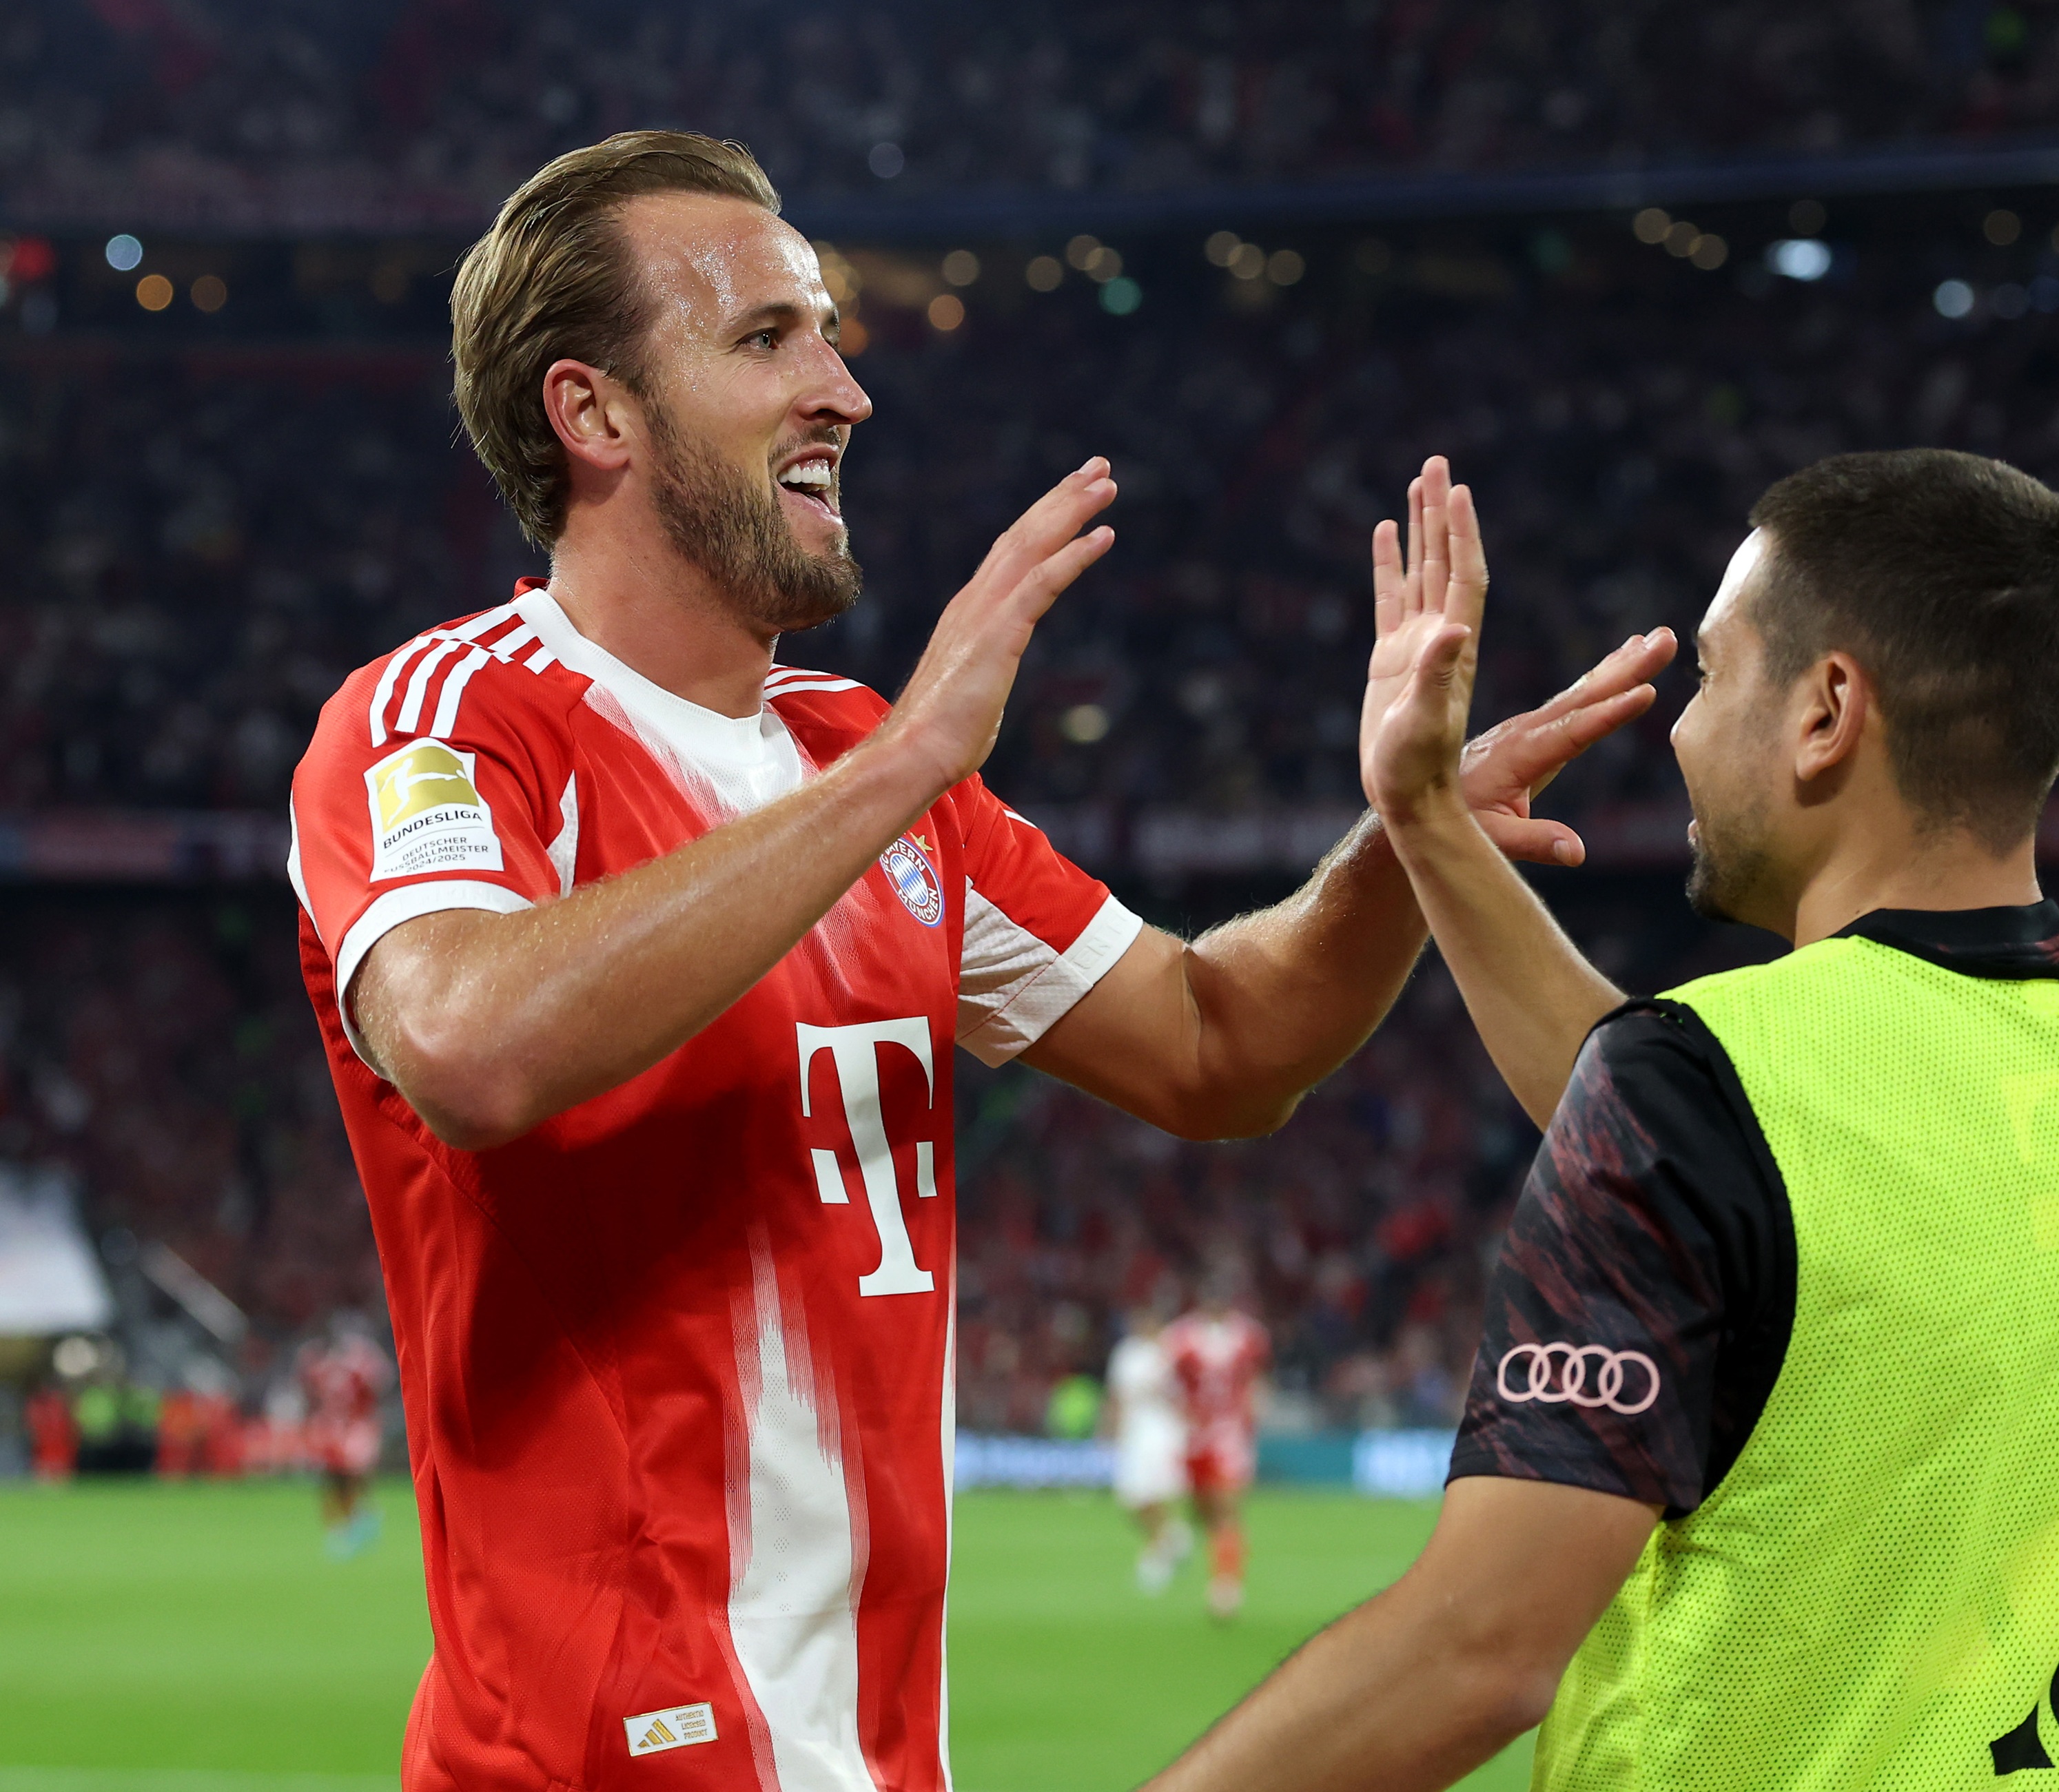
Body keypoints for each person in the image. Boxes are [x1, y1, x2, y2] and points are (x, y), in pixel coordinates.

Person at [285, 132, 1669, 1792]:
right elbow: (465, 1036)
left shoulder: (868, 762)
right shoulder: (450, 718)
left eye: (828, 332)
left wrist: (1401, 838)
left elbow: (1219, 1042)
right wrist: (903, 766)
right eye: (766, 337)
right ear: (595, 416)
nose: (845, 390)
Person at [1147, 450, 2059, 1789]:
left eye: (1711, 673)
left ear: (1824, 711)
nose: (1679, 728)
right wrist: (1425, 821)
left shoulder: (1710, 1089)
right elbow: (1761, 1170)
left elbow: (1479, 1648)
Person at [1162, 1270, 1272, 1619]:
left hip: (1230, 1433)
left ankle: (1226, 1589)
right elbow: (1168, 1384)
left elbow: (1257, 1380)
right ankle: (1198, 1551)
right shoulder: (1180, 1337)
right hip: (1193, 1435)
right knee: (1202, 1509)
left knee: (1227, 1507)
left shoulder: (1250, 1336)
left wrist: (1254, 1417)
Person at [1104, 1304, 1191, 1594]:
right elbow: (1117, 1394)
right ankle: (1174, 1538)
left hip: (1165, 1432)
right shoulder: (1126, 1353)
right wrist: (1110, 1427)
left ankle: (1158, 1558)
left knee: (1156, 1491)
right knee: (1132, 1499)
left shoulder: (1172, 1351)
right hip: (1135, 1433)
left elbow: (1188, 1391)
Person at [297, 1316, 395, 1557]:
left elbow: (381, 1384)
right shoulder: (321, 1362)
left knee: (354, 1474)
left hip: (357, 1426)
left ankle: (361, 1520)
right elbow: (311, 1392)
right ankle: (345, 1527)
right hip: (332, 1426)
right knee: (333, 1478)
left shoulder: (360, 1363)